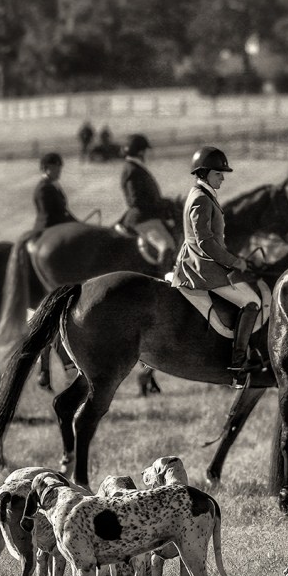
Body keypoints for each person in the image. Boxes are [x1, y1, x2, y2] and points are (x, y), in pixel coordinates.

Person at [170, 146, 260, 388]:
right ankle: (238, 364)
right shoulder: (201, 198)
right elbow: (205, 241)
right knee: (252, 303)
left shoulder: (202, 194)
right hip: (202, 268)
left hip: (204, 262)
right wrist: (234, 261)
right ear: (205, 173)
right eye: (218, 173)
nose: (223, 178)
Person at [116, 134, 175, 267]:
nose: (148, 154)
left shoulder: (136, 167)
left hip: (148, 215)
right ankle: (164, 278)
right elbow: (135, 200)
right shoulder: (131, 170)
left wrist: (165, 203)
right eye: (147, 150)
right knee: (166, 246)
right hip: (142, 218)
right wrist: (160, 204)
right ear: (141, 152)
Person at [34, 152, 78, 231]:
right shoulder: (44, 188)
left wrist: (78, 224)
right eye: (54, 168)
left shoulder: (53, 185)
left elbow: (63, 211)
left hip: (58, 227)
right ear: (45, 168)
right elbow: (48, 216)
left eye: (59, 168)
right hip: (47, 230)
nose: (58, 171)